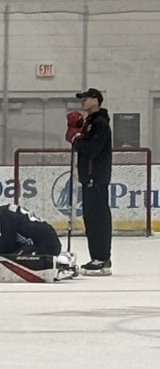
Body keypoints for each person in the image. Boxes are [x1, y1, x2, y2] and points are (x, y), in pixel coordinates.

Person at [68, 87, 113, 275]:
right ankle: (96, 256)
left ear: (96, 100)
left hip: (97, 177)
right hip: (88, 178)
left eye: (86, 98)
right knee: (91, 219)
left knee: (99, 219)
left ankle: (102, 258)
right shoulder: (89, 123)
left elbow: (93, 149)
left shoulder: (100, 123)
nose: (83, 102)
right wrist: (78, 133)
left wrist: (77, 137)